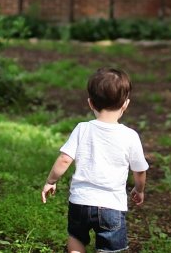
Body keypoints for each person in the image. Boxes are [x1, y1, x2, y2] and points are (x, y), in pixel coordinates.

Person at [41, 67, 149, 253]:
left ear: (90, 103)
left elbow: (65, 160)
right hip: (112, 206)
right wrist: (139, 190)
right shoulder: (130, 136)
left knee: (76, 238)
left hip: (80, 202)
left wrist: (51, 181)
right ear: (126, 104)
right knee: (111, 248)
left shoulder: (82, 129)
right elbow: (139, 171)